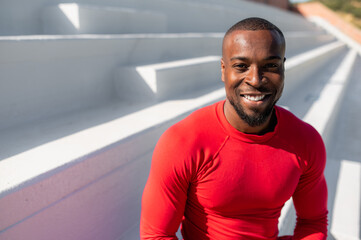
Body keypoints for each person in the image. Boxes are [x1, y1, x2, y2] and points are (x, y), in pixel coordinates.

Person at [140, 17, 328, 240]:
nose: (256, 80)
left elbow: (313, 222)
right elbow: (157, 235)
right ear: (223, 69)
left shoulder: (306, 141)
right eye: (241, 66)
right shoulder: (182, 142)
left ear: (283, 68)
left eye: (270, 66)